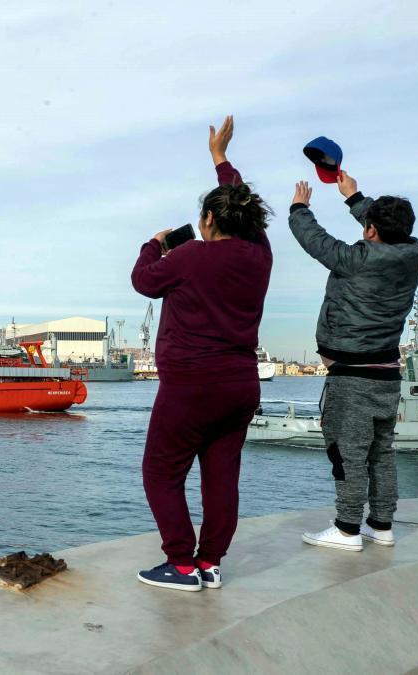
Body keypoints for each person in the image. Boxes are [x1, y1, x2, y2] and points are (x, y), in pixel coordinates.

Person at [131, 116, 273, 592]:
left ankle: (180, 563)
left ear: (208, 220)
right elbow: (243, 205)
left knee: (160, 471)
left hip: (191, 386)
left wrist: (153, 244)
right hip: (240, 385)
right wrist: (221, 161)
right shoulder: (259, 255)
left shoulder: (189, 257)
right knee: (221, 475)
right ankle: (210, 561)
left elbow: (143, 281)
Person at [290, 171, 418, 551]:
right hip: (387, 375)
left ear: (369, 232)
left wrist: (299, 208)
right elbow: (387, 228)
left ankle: (347, 528)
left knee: (347, 452)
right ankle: (381, 525)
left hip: (351, 376)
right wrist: (354, 198)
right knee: (381, 452)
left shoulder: (357, 258)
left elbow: (315, 242)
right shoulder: (416, 253)